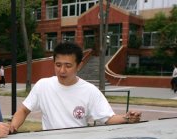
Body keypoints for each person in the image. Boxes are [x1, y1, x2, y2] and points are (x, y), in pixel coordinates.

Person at [10, 42, 142, 132]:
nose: (62, 70)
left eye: (68, 66)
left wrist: (127, 118)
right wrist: (13, 127)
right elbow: (23, 110)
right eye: (58, 65)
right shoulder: (43, 85)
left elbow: (107, 118)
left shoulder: (89, 91)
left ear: (79, 65)